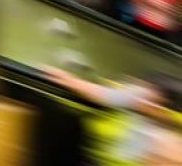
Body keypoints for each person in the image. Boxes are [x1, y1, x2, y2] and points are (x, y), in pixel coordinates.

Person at [46, 67, 182, 165]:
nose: (149, 104)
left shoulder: (168, 131)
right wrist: (71, 81)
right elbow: (109, 95)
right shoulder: (130, 108)